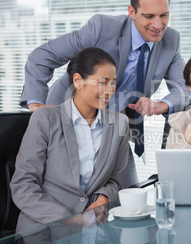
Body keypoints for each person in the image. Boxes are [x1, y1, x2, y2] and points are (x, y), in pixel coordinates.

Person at [18, 0, 191, 187]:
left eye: (164, 15)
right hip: (70, 119)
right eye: (149, 16)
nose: (158, 25)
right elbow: (42, 56)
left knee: (129, 193)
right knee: (67, 192)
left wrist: (160, 105)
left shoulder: (171, 40)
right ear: (132, 12)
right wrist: (36, 105)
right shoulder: (102, 28)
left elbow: (187, 86)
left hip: (113, 125)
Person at [11, 47, 129, 232]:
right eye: (103, 82)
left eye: (113, 83)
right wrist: (69, 219)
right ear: (78, 81)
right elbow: (23, 185)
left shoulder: (120, 123)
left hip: (95, 228)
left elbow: (115, 181)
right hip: (44, 228)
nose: (110, 91)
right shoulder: (46, 119)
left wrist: (105, 198)